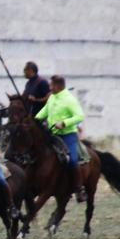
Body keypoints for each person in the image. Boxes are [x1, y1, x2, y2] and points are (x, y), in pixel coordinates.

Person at [35, 75, 87, 203]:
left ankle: (79, 189)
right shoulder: (52, 97)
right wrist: (33, 120)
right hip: (53, 134)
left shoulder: (69, 99)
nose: (50, 88)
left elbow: (80, 116)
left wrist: (64, 123)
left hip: (68, 135)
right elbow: (44, 112)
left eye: (51, 85)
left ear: (58, 86)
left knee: (72, 160)